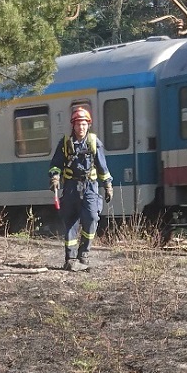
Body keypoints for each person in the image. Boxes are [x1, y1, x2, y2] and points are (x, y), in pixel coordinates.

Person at [49, 102, 114, 269]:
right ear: (73, 125)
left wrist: (108, 185)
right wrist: (55, 177)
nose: (81, 127)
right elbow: (56, 164)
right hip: (71, 187)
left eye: (84, 124)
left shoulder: (93, 142)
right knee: (70, 221)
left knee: (92, 217)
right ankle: (70, 258)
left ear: (88, 125)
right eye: (78, 124)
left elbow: (102, 167)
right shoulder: (65, 143)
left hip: (90, 187)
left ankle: (84, 254)